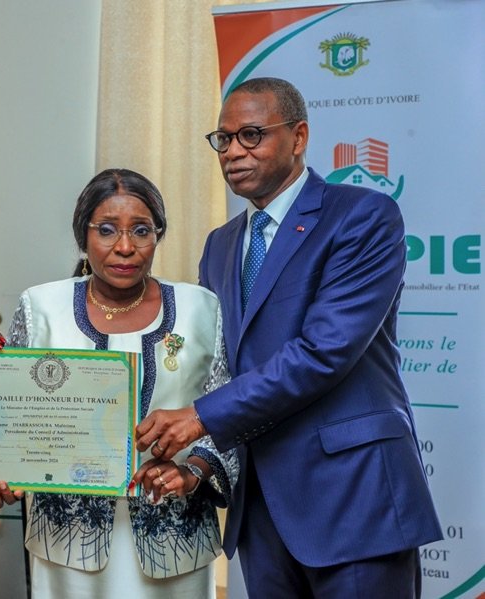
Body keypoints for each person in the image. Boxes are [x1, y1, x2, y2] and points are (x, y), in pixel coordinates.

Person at [135, 77, 442, 597]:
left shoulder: (363, 217)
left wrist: (197, 418)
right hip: (261, 511)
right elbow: (221, 368)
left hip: (353, 501)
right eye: (224, 139)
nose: (233, 151)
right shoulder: (222, 245)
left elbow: (324, 352)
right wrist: (201, 460)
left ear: (299, 137)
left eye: (252, 135)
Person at [0, 168, 237, 598]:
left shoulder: (200, 308)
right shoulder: (42, 305)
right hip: (67, 542)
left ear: (158, 235)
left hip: (174, 536)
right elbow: (12, 422)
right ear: (83, 237)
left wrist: (194, 471)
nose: (125, 247)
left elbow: (228, 412)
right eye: (107, 230)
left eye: (141, 230)